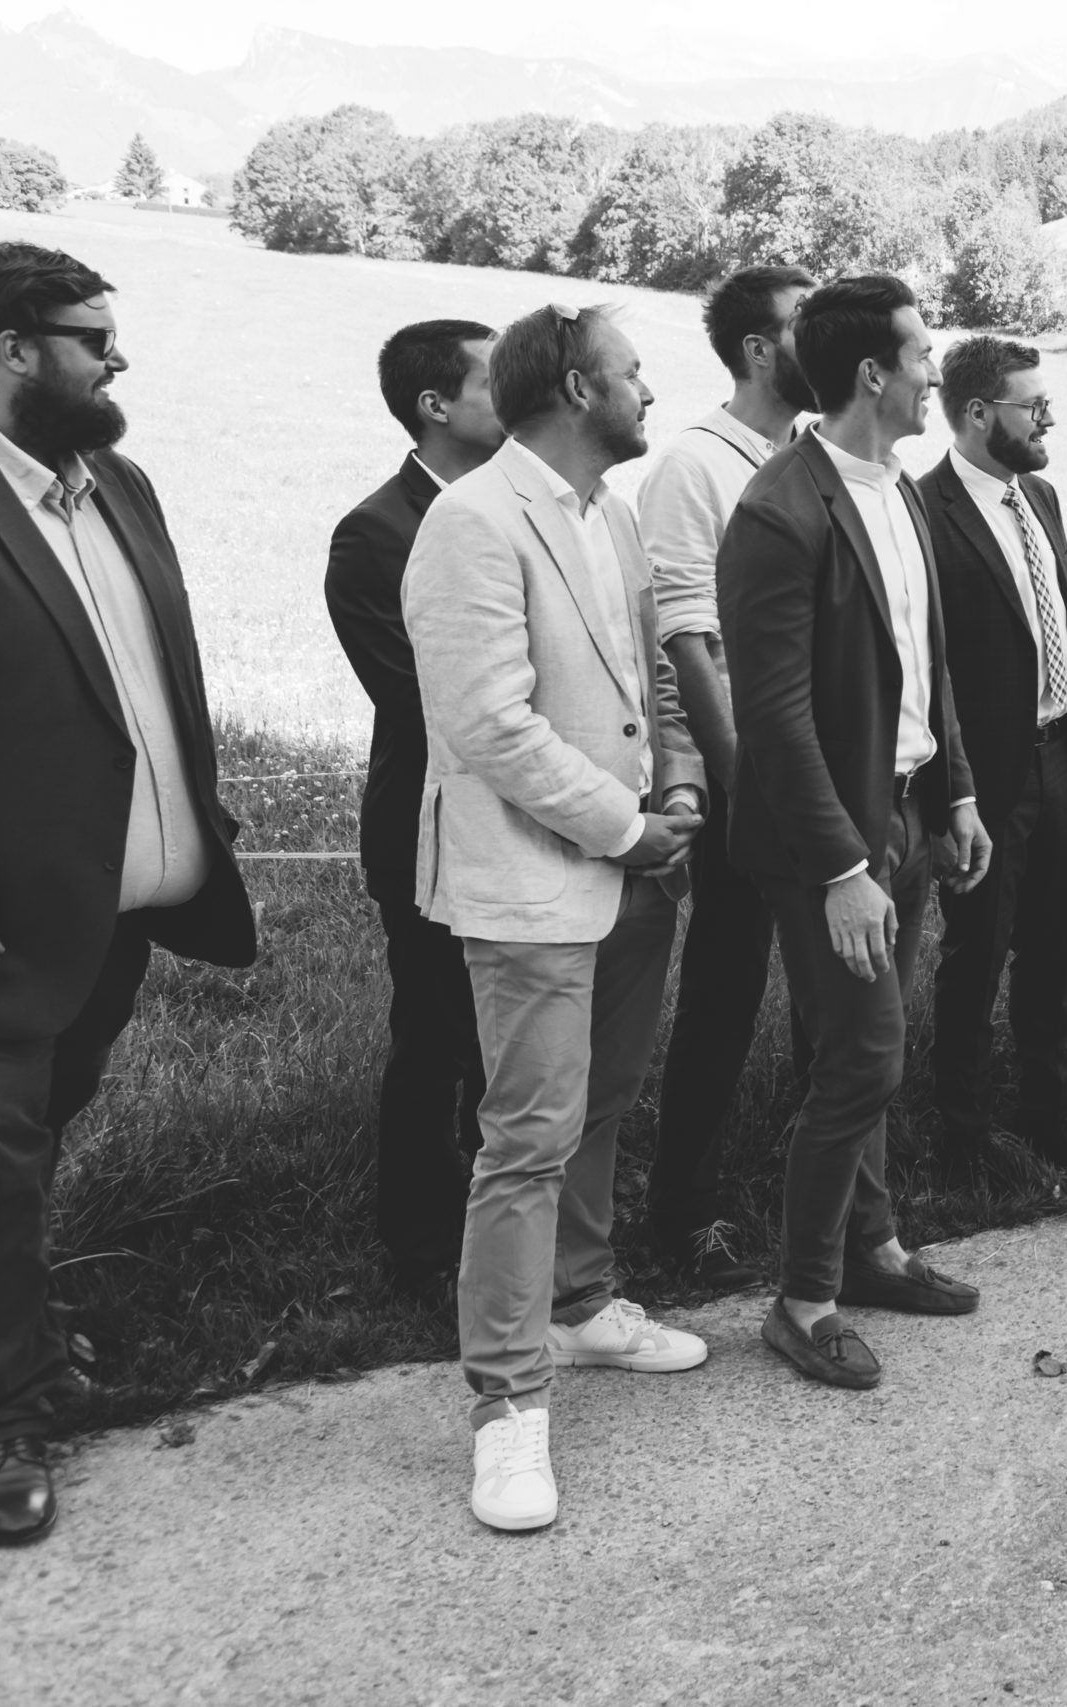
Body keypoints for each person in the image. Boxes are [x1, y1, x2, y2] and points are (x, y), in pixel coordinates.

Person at [0, 242, 257, 1542]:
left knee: (20, 1148)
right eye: (93, 336)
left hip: (110, 917)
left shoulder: (115, 482)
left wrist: (198, 818)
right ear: (14, 346)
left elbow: (147, 674)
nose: (117, 357)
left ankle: (9, 1325)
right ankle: (1, 1426)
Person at [406, 303, 710, 1533]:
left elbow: (653, 677)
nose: (650, 392)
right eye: (632, 373)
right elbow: (488, 723)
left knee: (603, 1103)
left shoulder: (613, 514)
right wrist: (624, 826)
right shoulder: (472, 520)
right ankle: (506, 1406)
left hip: (637, 864)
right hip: (534, 877)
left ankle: (582, 1307)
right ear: (579, 389)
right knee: (527, 1139)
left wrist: (679, 788)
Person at [718, 275, 994, 1392]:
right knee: (864, 1058)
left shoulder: (903, 491)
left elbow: (929, 664)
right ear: (873, 374)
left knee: (869, 1054)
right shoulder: (779, 510)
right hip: (829, 838)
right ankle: (802, 1301)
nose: (937, 371)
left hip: (913, 811)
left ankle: (873, 1250)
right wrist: (841, 866)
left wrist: (958, 793)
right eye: (923, 353)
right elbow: (773, 717)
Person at [634, 263, 817, 1282]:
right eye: (802, 325)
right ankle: (683, 1211)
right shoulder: (694, 466)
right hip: (751, 782)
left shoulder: (814, 453)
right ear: (758, 348)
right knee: (725, 991)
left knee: (835, 992)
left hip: (825, 772)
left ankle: (824, 1188)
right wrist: (739, 784)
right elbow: (684, 644)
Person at [325, 318, 505, 1292]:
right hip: (432, 832)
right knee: (435, 1039)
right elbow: (423, 700)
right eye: (495, 380)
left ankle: (508, 1227)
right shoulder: (374, 534)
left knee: (507, 1047)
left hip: (526, 826)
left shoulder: (521, 508)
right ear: (435, 405)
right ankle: (424, 1246)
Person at [919, 337, 1067, 1180]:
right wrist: (947, 794)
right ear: (977, 413)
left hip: (1061, 757)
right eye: (1034, 407)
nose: (1048, 419)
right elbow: (926, 668)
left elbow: (1066, 620)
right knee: (976, 956)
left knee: (1053, 949)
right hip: (982, 778)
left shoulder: (1043, 495)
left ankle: (1045, 1112)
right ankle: (961, 1138)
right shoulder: (922, 511)